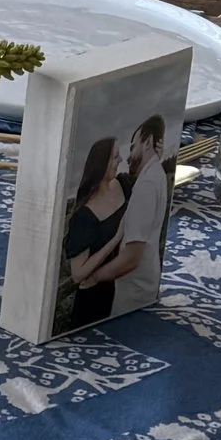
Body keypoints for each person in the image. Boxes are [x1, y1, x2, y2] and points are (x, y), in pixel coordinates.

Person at [85, 115, 172, 312]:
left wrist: (95, 277)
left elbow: (132, 258)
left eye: (133, 146)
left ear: (148, 142)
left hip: (133, 296)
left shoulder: (147, 184)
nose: (128, 156)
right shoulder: (154, 175)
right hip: (141, 290)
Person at [56, 129, 128, 330]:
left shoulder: (123, 185)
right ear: (101, 163)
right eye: (115, 156)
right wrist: (115, 239)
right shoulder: (84, 216)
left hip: (122, 289)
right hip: (93, 301)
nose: (120, 159)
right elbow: (78, 274)